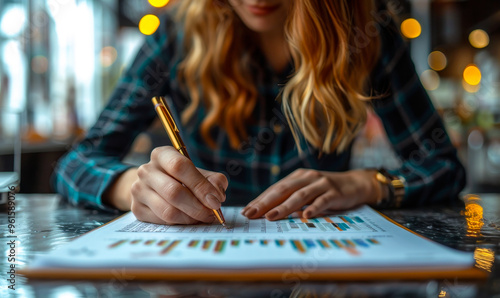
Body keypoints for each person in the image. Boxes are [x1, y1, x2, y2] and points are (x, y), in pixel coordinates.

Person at [52, 0, 466, 225]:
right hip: (205, 260)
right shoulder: (176, 34)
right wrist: (135, 189)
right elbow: (77, 163)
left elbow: (443, 166)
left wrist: (368, 183)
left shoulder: (367, 31)